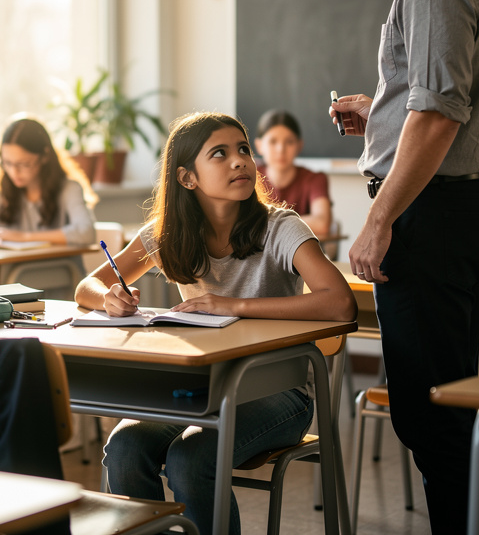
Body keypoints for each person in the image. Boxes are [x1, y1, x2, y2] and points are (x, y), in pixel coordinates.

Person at [328, 0, 479, 535]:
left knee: (429, 414)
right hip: (451, 206)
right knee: (443, 408)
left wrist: (379, 218)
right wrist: (376, 112)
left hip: (429, 214)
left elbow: (438, 114)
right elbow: (428, 101)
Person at [74, 111, 356, 535]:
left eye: (243, 149)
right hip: (203, 388)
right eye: (220, 154)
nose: (240, 161)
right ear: (188, 178)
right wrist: (108, 299)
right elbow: (88, 286)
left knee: (192, 458)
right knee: (125, 447)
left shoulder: (281, 227)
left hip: (281, 392)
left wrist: (232, 305)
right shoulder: (166, 232)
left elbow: (340, 305)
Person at [0, 114, 97, 249]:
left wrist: (22, 237)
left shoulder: (69, 189)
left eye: (24, 164)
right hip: (13, 273)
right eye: (7, 163)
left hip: (61, 271)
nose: (13, 172)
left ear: (45, 156)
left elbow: (86, 233)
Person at [254, 109, 333, 238]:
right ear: (259, 146)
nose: (281, 150)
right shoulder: (250, 177)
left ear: (299, 146)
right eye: (273, 142)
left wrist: (266, 224)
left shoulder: (315, 179)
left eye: (289, 142)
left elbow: (321, 224)